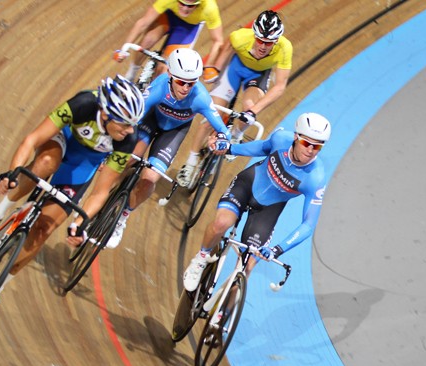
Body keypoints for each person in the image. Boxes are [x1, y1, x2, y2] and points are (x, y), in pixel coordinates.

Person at [0, 76, 145, 319]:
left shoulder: (127, 141)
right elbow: (33, 139)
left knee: (44, 229)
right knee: (46, 163)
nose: (130, 131)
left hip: (82, 168)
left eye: (132, 125)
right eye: (125, 124)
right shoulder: (83, 103)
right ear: (105, 114)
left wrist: (79, 224)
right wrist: (12, 172)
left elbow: (101, 191)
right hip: (61, 143)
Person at [182, 112, 331, 294]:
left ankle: (222, 317)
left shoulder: (315, 178)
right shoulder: (280, 139)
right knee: (222, 223)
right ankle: (201, 258)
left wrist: (277, 249)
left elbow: (309, 224)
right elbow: (261, 148)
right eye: (307, 143)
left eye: (317, 147)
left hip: (268, 210)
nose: (310, 150)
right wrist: (229, 148)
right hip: (247, 185)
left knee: (246, 268)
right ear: (295, 137)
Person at [103, 47, 231, 249]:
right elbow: (135, 114)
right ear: (170, 74)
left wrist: (223, 140)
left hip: (173, 133)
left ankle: (122, 217)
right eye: (181, 81)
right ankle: (103, 192)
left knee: (149, 180)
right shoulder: (160, 86)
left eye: (191, 83)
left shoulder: (201, 98)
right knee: (130, 157)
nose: (186, 88)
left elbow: (224, 130)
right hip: (150, 121)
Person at [176, 9, 293, 189]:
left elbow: (279, 87)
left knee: (249, 106)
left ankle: (236, 135)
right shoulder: (240, 37)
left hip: (257, 76)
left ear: (276, 41)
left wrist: (253, 112)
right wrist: (215, 70)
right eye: (260, 40)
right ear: (254, 35)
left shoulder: (285, 49)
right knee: (211, 115)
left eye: (269, 43)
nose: (263, 46)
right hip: (235, 69)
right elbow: (225, 52)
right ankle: (190, 162)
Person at [115, 0, 224, 82]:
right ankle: (131, 73)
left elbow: (218, 40)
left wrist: (209, 64)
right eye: (182, 3)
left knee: (165, 69)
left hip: (188, 28)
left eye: (191, 5)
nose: (185, 9)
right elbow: (143, 23)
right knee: (147, 40)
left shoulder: (209, 7)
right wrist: (123, 49)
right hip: (168, 16)